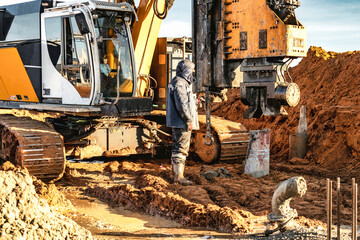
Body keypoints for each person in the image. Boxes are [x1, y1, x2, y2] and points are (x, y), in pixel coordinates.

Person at [166, 59, 199, 185]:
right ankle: (179, 177)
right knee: (181, 149)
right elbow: (182, 104)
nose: (192, 74)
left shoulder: (177, 81)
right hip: (181, 123)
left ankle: (176, 175)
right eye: (191, 71)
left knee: (177, 148)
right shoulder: (180, 84)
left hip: (178, 122)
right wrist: (188, 120)